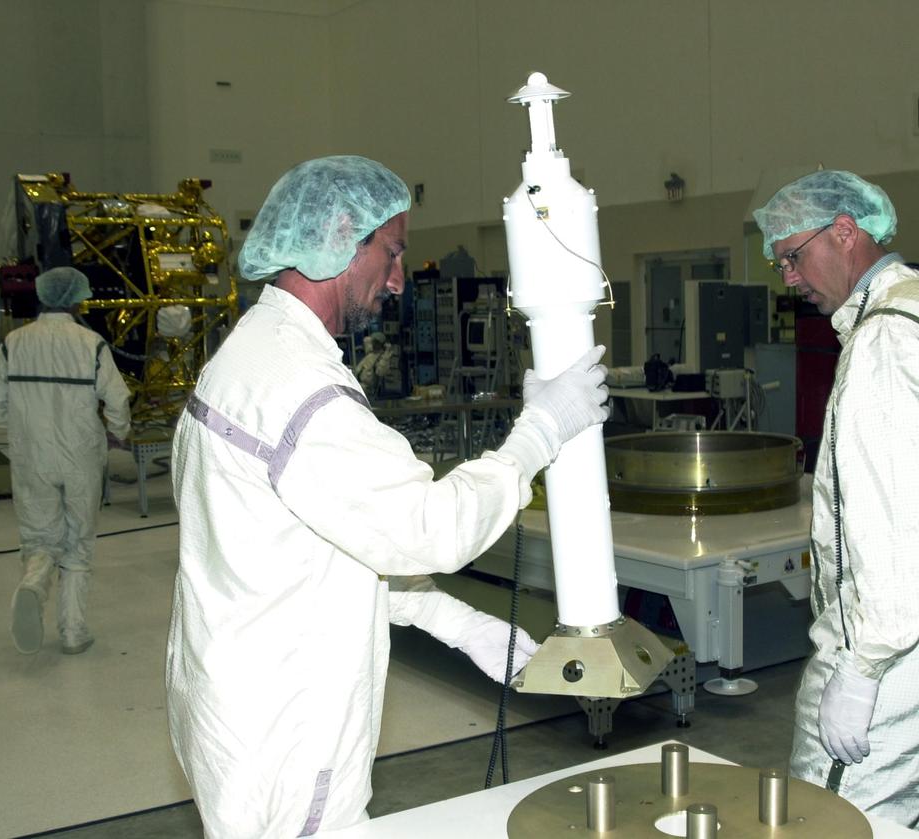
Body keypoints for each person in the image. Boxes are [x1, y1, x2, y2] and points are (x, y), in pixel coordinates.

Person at [167, 155, 610, 838]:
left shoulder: (248, 357)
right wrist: (539, 434)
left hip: (239, 711)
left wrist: (465, 626)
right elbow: (431, 526)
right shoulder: (302, 392)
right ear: (341, 240)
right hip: (288, 740)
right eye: (394, 252)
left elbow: (331, 548)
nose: (401, 279)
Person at [753, 170, 919, 838]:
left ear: (845, 232)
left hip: (898, 668)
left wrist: (863, 670)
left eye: (792, 256)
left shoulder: (887, 343)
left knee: (828, 825)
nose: (787, 277)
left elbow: (903, 527)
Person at [0, 266, 132, 656]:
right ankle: (73, 631)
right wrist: (118, 430)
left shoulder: (12, 343)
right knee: (78, 543)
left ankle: (34, 581)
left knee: (39, 536)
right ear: (77, 299)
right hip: (82, 457)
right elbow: (118, 399)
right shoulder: (91, 343)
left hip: (31, 454)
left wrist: (19, 426)